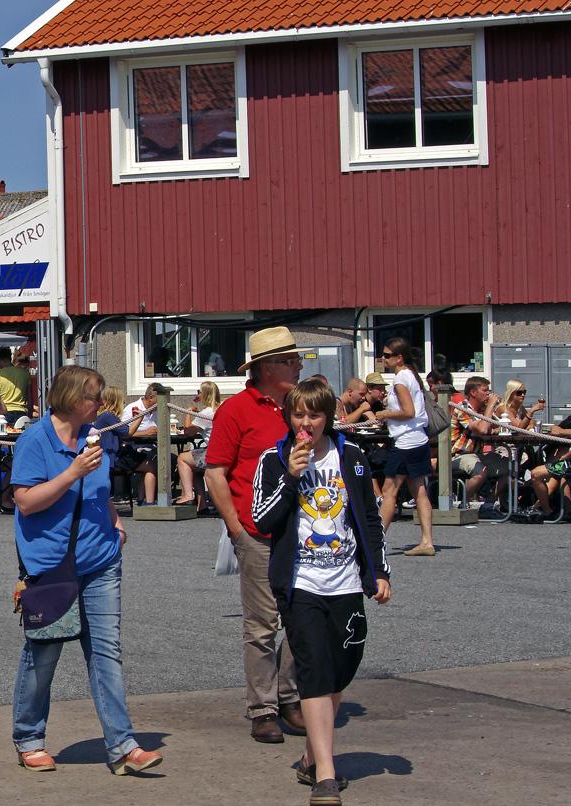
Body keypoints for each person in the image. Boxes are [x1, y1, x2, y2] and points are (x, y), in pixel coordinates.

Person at [10, 365, 162, 776]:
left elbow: (98, 492)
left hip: (101, 560)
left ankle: (123, 745)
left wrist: (117, 523)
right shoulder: (34, 440)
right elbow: (25, 501)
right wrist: (72, 472)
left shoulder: (94, 436)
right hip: (52, 564)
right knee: (45, 652)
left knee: (106, 651)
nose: (102, 402)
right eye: (95, 396)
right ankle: (29, 738)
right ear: (74, 398)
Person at [252, 379, 391, 806]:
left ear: (328, 417)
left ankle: (311, 756)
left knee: (340, 670)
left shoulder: (351, 456)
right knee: (313, 670)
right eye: (298, 415)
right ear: (288, 417)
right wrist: (292, 477)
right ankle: (325, 776)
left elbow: (369, 517)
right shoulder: (274, 458)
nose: (305, 423)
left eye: (314, 415)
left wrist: (379, 572)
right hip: (301, 584)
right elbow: (262, 519)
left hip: (346, 582)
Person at [205, 325, 306, 743]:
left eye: (298, 360)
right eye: (290, 361)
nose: (299, 367)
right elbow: (215, 472)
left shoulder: (302, 407)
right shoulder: (236, 410)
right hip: (257, 531)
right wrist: (235, 528)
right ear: (266, 368)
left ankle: (290, 696)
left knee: (303, 619)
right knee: (263, 625)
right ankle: (263, 709)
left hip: (305, 532)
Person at [371, 338, 435, 556]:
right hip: (418, 439)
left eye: (387, 355)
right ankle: (427, 541)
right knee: (419, 491)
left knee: (389, 491)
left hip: (407, 442)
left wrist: (386, 413)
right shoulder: (411, 375)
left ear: (399, 358)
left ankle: (375, 542)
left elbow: (409, 412)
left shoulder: (400, 379)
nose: (383, 358)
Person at [517, 368, 571, 522]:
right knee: (553, 472)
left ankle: (546, 510)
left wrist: (564, 457)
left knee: (536, 474)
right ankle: (560, 509)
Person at [449, 377, 509, 517]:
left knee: (509, 467)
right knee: (481, 471)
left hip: (478, 453)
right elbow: (482, 429)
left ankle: (488, 504)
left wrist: (492, 428)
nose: (488, 393)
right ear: (473, 392)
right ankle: (463, 504)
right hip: (459, 454)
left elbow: (500, 427)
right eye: (485, 390)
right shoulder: (463, 408)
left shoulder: (483, 409)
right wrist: (490, 406)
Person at [93, 386, 156, 505]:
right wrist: (140, 417)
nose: (123, 403)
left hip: (113, 454)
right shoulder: (108, 416)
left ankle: (143, 499)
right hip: (113, 457)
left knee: (147, 463)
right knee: (150, 466)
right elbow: (128, 432)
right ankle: (149, 502)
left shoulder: (107, 416)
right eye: (122, 400)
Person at [177, 381, 221, 508]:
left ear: (204, 394)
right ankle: (202, 505)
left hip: (214, 452)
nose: (197, 395)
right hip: (226, 450)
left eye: (199, 392)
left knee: (182, 458)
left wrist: (188, 412)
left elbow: (188, 432)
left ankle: (188, 496)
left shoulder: (206, 413)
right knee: (194, 468)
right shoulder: (222, 408)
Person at [0, 346, 32, 422]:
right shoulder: (25, 373)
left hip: (4, 411)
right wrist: (30, 415)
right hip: (21, 411)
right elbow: (30, 397)